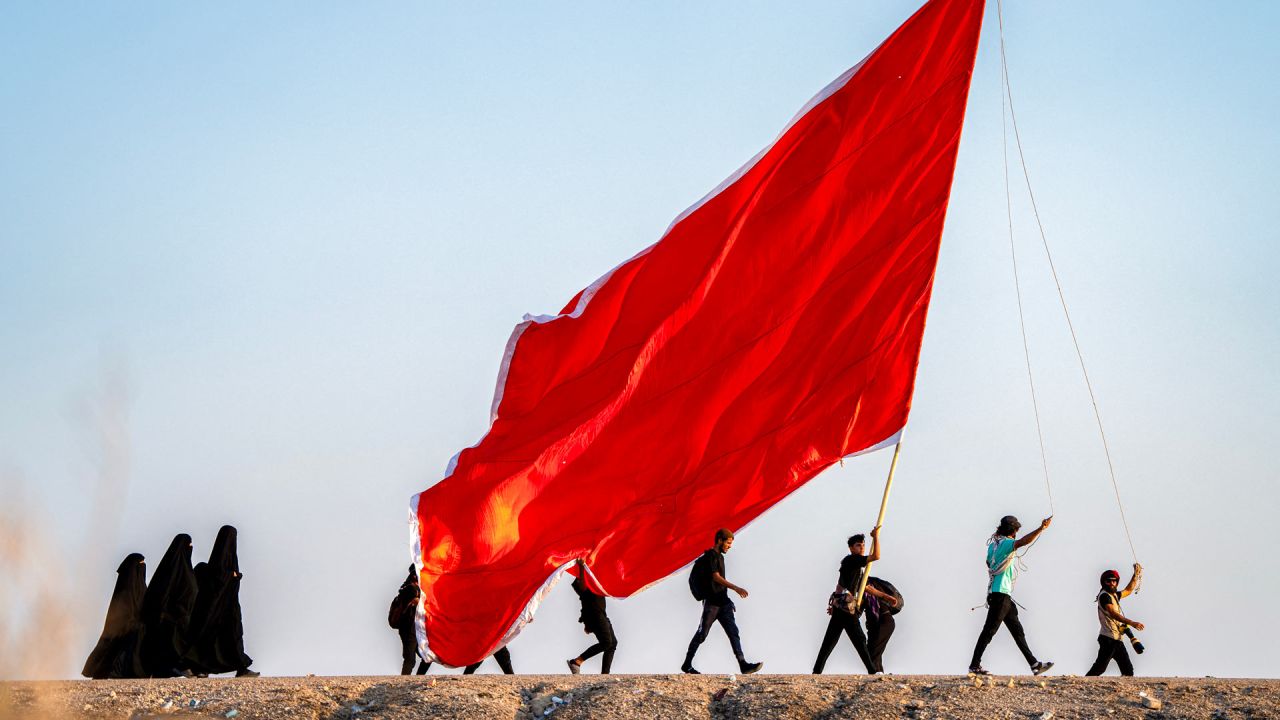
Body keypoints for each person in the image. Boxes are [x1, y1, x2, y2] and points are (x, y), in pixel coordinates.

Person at [968, 515, 1054, 676]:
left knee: (1017, 631)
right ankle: (974, 665)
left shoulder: (992, 546)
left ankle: (1034, 664)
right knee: (989, 630)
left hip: (1000, 594)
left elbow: (988, 563)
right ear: (1013, 530)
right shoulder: (1007, 543)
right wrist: (1041, 528)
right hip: (1000, 594)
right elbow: (1023, 542)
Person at [812, 528, 898, 674]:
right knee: (859, 640)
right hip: (845, 607)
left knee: (830, 641)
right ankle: (872, 671)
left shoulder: (852, 563)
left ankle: (817, 671)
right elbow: (876, 556)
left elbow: (853, 586)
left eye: (863, 544)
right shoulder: (852, 559)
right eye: (858, 545)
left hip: (841, 606)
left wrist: (885, 596)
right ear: (851, 548)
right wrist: (876, 537)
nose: (862, 547)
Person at [681, 528, 763, 675]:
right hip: (712, 603)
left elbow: (719, 583)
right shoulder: (711, 556)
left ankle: (743, 665)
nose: (730, 546)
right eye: (728, 543)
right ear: (720, 540)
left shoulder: (721, 557)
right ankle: (687, 664)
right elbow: (716, 577)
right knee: (702, 634)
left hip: (723, 602)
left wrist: (728, 599)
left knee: (733, 632)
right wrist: (736, 588)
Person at [185, 525, 258, 677]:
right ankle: (202, 669)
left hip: (229, 607)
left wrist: (234, 576)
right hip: (216, 609)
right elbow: (217, 578)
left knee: (234, 635)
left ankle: (241, 668)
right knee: (212, 638)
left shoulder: (230, 561)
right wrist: (231, 576)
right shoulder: (219, 563)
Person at [140, 534, 198, 677]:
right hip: (173, 616)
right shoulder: (173, 569)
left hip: (184, 615)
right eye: (189, 544)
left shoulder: (185, 568)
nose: (191, 547)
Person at [83, 553, 148, 679]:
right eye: (140, 564)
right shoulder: (125, 590)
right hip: (124, 626)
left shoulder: (139, 587)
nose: (143, 567)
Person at [1086, 564, 1144, 676]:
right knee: (1100, 667)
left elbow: (1128, 590)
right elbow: (1113, 613)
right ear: (1104, 582)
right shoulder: (1104, 596)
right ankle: (1082, 684)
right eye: (1109, 581)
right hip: (1108, 639)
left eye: (1114, 581)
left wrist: (1136, 574)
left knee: (1127, 670)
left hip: (1116, 639)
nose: (1112, 583)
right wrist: (1131, 623)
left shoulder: (1113, 595)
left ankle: (1126, 692)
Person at [567, 559, 617, 674]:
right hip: (596, 617)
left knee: (612, 643)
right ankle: (576, 662)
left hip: (601, 616)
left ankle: (605, 674)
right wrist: (581, 566)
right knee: (606, 643)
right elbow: (583, 584)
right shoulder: (584, 587)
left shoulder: (594, 585)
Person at [390, 565, 430, 675]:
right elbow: (418, 601)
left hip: (416, 628)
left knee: (427, 657)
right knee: (410, 659)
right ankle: (404, 682)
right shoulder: (411, 589)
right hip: (409, 628)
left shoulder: (412, 588)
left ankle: (418, 679)